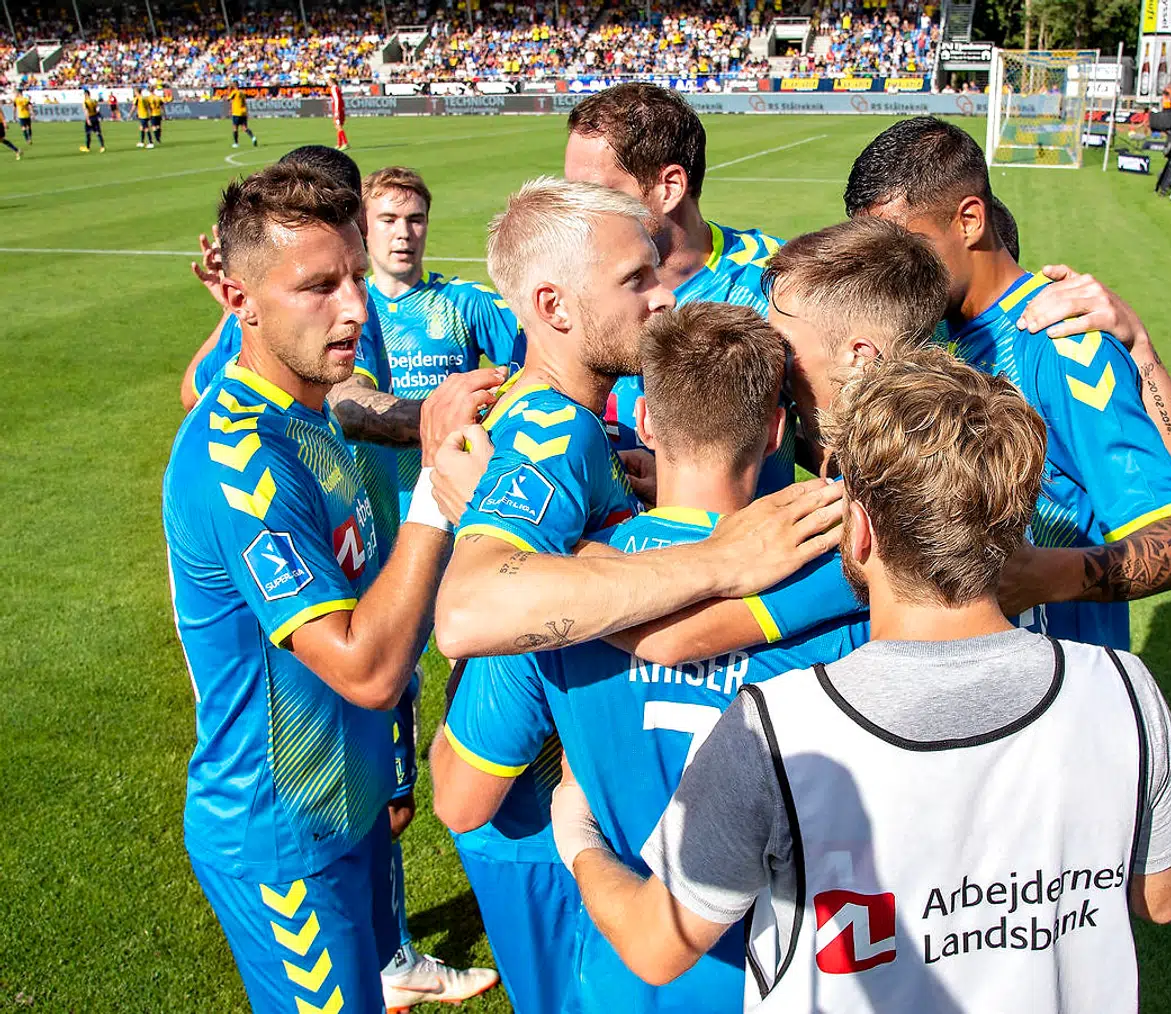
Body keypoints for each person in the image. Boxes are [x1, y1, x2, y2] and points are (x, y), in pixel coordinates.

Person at [550, 347, 1171, 1013]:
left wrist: (576, 840)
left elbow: (657, 947)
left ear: (857, 530)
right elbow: (1162, 897)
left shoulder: (776, 729)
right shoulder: (1126, 689)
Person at [424, 176, 851, 1012]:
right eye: (638, 280)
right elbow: (471, 617)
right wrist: (722, 562)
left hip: (615, 917)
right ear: (552, 304)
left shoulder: (578, 469)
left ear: (648, 423)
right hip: (731, 947)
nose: (666, 296)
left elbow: (461, 786)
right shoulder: (551, 437)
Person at [175, 147, 502, 1012]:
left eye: (355, 277)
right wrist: (436, 492)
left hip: (342, 809)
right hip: (282, 840)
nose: (355, 307)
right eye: (319, 286)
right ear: (239, 301)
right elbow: (363, 664)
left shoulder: (309, 411)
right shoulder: (241, 457)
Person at [844, 117, 1171, 651]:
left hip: (1053, 696)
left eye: (905, 245)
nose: (888, 270)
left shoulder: (1062, 343)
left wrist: (1039, 578)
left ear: (969, 220)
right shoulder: (921, 333)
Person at [563, 83, 791, 491]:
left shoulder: (778, 282)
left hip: (743, 548)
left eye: (596, 194)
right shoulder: (565, 285)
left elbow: (847, 438)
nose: (577, 214)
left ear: (669, 188)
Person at [358, 165, 524, 513]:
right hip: (374, 501)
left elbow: (539, 359)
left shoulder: (465, 301)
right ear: (363, 226)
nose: (403, 233)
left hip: (448, 499)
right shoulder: (352, 310)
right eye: (388, 220)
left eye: (415, 219)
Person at [79, 89, 105, 153]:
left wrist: (88, 120)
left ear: (86, 94)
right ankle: (102, 147)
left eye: (84, 94)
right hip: (95, 117)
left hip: (90, 117)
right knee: (98, 133)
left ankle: (87, 148)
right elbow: (97, 109)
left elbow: (86, 111)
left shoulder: (85, 102)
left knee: (88, 133)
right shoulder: (94, 101)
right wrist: (100, 117)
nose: (84, 96)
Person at [329, 77, 349, 151]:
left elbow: (337, 100)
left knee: (338, 126)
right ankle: (339, 144)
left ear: (332, 82)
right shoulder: (336, 88)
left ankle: (345, 143)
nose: (328, 83)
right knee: (337, 126)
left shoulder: (334, 88)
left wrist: (337, 111)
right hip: (339, 109)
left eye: (329, 81)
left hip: (338, 110)